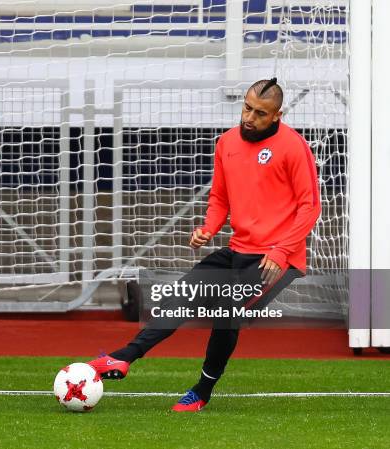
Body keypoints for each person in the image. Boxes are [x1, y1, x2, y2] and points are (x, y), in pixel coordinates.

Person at [89, 78, 321, 411]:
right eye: (247, 107)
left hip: (276, 260)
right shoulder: (227, 142)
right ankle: (122, 358)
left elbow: (310, 207)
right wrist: (208, 228)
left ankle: (202, 391)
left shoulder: (294, 147)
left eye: (260, 113)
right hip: (237, 250)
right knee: (178, 297)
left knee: (226, 313)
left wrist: (281, 250)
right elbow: (220, 197)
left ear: (276, 115)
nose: (249, 118)